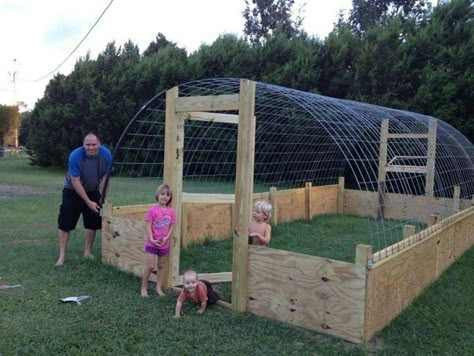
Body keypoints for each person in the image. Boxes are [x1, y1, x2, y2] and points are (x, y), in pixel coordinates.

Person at [55, 133, 112, 267]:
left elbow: (105, 178)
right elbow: (75, 181)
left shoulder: (106, 155)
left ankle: (88, 252)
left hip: (93, 190)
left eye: (94, 145)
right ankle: (62, 255)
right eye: (88, 145)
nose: (90, 147)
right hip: (72, 190)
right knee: (65, 223)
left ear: (99, 144)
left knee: (92, 222)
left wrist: (103, 197)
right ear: (83, 145)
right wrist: (88, 202)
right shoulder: (75, 156)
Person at [141, 184, 176, 297]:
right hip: (152, 243)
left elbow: (171, 226)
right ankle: (144, 288)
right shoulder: (153, 210)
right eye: (162, 194)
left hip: (164, 243)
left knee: (161, 265)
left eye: (167, 195)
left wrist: (167, 237)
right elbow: (148, 225)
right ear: (158, 195)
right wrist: (151, 238)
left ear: (170, 197)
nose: (165, 197)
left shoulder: (171, 212)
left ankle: (158, 288)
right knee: (150, 266)